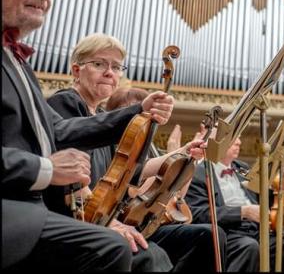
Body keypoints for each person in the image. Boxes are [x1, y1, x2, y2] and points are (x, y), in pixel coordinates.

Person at [2, 0, 174, 271]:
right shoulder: (51, 87)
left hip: (29, 210)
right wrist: (47, 169)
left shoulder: (18, 62)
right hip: (14, 209)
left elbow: (60, 131)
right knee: (109, 247)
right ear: (77, 70)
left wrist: (139, 111)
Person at [55, 72, 228, 272]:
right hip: (110, 219)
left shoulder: (120, 140)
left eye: (116, 66)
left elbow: (150, 179)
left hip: (138, 220)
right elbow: (132, 188)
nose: (138, 117)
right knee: (153, 254)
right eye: (129, 111)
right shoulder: (78, 113)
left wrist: (184, 153)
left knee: (210, 236)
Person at [186, 137, 284, 272]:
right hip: (228, 234)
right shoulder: (198, 172)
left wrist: (279, 173)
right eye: (233, 137)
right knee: (250, 246)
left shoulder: (242, 168)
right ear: (216, 142)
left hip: (257, 231)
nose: (239, 142)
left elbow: (265, 197)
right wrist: (242, 212)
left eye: (239, 138)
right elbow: (197, 214)